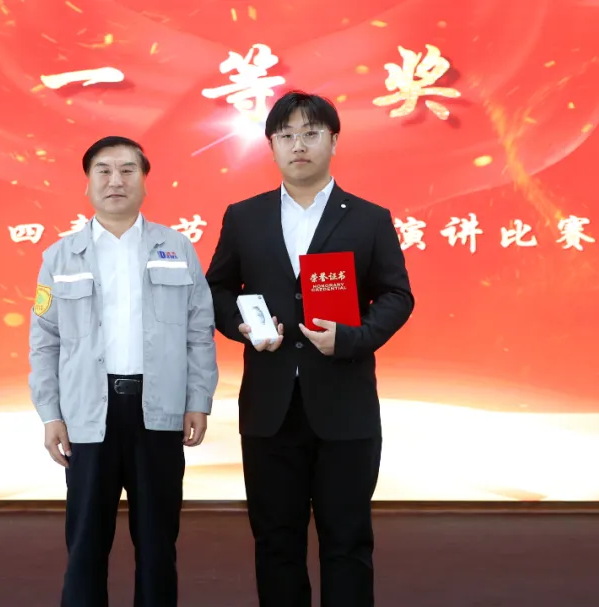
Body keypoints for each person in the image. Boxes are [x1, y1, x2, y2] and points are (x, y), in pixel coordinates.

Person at [205, 91, 414, 606]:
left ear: (334, 141)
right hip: (269, 407)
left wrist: (351, 338)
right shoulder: (244, 217)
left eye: (311, 133)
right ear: (272, 146)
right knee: (276, 542)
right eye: (287, 135)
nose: (298, 145)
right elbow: (216, 289)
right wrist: (243, 327)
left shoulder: (368, 218)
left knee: (347, 542)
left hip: (344, 404)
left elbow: (396, 295)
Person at [29, 135, 218, 607]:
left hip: (158, 410)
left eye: (128, 170)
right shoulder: (60, 257)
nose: (116, 180)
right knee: (86, 541)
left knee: (157, 543)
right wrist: (51, 414)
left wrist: (198, 401)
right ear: (88, 183)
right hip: (87, 414)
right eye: (104, 170)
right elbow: (44, 341)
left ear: (144, 181)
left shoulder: (177, 248)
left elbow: (199, 332)